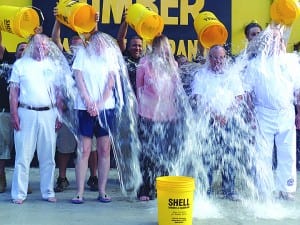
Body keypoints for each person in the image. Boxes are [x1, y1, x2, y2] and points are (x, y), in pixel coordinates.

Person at [9, 33, 71, 204]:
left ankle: (48, 191)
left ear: (48, 47)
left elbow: (58, 94)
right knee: (22, 155)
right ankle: (19, 194)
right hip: (25, 113)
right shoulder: (20, 65)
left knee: (48, 156)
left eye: (44, 45)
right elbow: (13, 92)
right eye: (37, 45)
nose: (40, 48)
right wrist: (14, 114)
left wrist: (59, 114)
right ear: (31, 46)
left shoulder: (53, 66)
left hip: (49, 114)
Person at [244, 26, 300, 201]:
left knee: (288, 153)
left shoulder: (291, 62)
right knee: (262, 153)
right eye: (271, 39)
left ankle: (287, 189)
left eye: (278, 39)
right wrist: (250, 116)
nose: (275, 42)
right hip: (262, 113)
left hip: (286, 113)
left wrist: (299, 114)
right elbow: (247, 93)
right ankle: (264, 190)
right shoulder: (254, 64)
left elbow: (298, 90)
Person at [71, 31, 124, 204]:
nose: (101, 46)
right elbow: (79, 80)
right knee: (84, 150)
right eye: (97, 42)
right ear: (91, 43)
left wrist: (99, 105)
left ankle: (102, 190)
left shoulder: (110, 57)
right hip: (84, 107)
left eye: (103, 43)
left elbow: (110, 84)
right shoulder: (82, 55)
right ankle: (79, 192)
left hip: (106, 108)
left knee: (104, 150)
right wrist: (88, 101)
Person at [51, 9, 99, 192]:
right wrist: (58, 19)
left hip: (87, 107)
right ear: (70, 46)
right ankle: (62, 178)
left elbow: (95, 38)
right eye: (74, 44)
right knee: (65, 146)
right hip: (68, 109)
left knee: (92, 146)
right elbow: (55, 38)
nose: (77, 47)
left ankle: (93, 176)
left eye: (81, 45)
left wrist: (94, 23)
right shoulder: (65, 58)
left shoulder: (89, 59)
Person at [192, 45, 247, 201]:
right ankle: (206, 189)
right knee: (207, 155)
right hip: (208, 120)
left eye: (221, 57)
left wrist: (226, 115)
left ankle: (229, 189)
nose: (218, 60)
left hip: (229, 120)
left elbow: (238, 97)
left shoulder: (231, 75)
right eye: (215, 57)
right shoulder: (201, 75)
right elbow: (198, 97)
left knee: (230, 154)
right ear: (209, 58)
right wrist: (215, 115)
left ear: (225, 58)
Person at [136, 34, 188, 201]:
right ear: (155, 47)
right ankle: (145, 189)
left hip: (168, 116)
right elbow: (138, 88)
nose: (165, 49)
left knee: (166, 154)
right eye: (162, 46)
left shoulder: (173, 64)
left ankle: (162, 187)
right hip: (147, 115)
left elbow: (177, 92)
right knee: (147, 154)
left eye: (167, 46)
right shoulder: (144, 63)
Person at [0, 30, 33, 194]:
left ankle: (23, 181)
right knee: (2, 148)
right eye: (20, 49)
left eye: (27, 49)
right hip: (6, 112)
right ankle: (1, 177)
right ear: (15, 53)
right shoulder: (7, 64)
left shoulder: (34, 69)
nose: (24, 52)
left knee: (24, 149)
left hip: (27, 113)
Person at [117, 10, 143, 94]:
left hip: (141, 98)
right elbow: (120, 38)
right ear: (128, 47)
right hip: (126, 96)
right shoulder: (125, 55)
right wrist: (125, 22)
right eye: (134, 45)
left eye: (139, 46)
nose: (137, 48)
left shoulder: (144, 60)